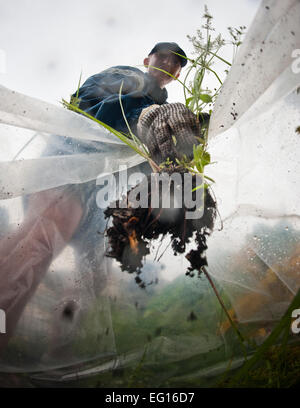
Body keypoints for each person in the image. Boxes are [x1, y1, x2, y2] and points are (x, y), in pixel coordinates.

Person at [0, 42, 196, 353]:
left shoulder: (163, 105)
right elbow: (86, 104)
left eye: (178, 64)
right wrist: (142, 115)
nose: (171, 65)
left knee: (91, 278)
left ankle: (57, 355)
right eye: (165, 58)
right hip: (70, 169)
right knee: (38, 242)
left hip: (97, 200)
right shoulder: (126, 76)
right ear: (148, 59)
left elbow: (139, 159)